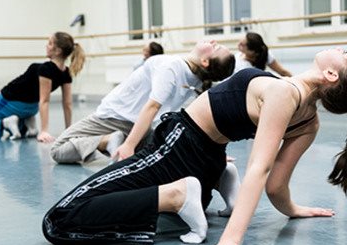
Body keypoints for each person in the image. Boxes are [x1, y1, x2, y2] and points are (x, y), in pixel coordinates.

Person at [42, 48, 347, 245]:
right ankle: (214, 181)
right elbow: (277, 184)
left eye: (346, 55)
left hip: (178, 149)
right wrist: (292, 208)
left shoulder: (284, 92)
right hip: (208, 159)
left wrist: (231, 240)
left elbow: (262, 169)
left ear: (331, 74)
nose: (342, 48)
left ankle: (179, 194)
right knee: (134, 205)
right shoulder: (309, 121)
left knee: (60, 221)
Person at [49, 41, 235, 164]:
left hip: (114, 115)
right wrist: (214, 153)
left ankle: (107, 141)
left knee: (57, 150)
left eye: (216, 47)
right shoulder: (196, 78)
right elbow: (198, 122)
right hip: (143, 128)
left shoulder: (171, 66)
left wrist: (129, 145)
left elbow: (152, 107)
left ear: (204, 61)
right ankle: (112, 143)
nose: (212, 42)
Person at [0, 32, 85, 142]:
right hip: (31, 108)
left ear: (57, 51)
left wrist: (44, 131)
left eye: (50, 43)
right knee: (16, 127)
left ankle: (5, 123)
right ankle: (28, 124)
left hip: (9, 103)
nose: (46, 46)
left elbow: (45, 101)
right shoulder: (66, 72)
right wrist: (69, 130)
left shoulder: (45, 68)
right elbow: (67, 103)